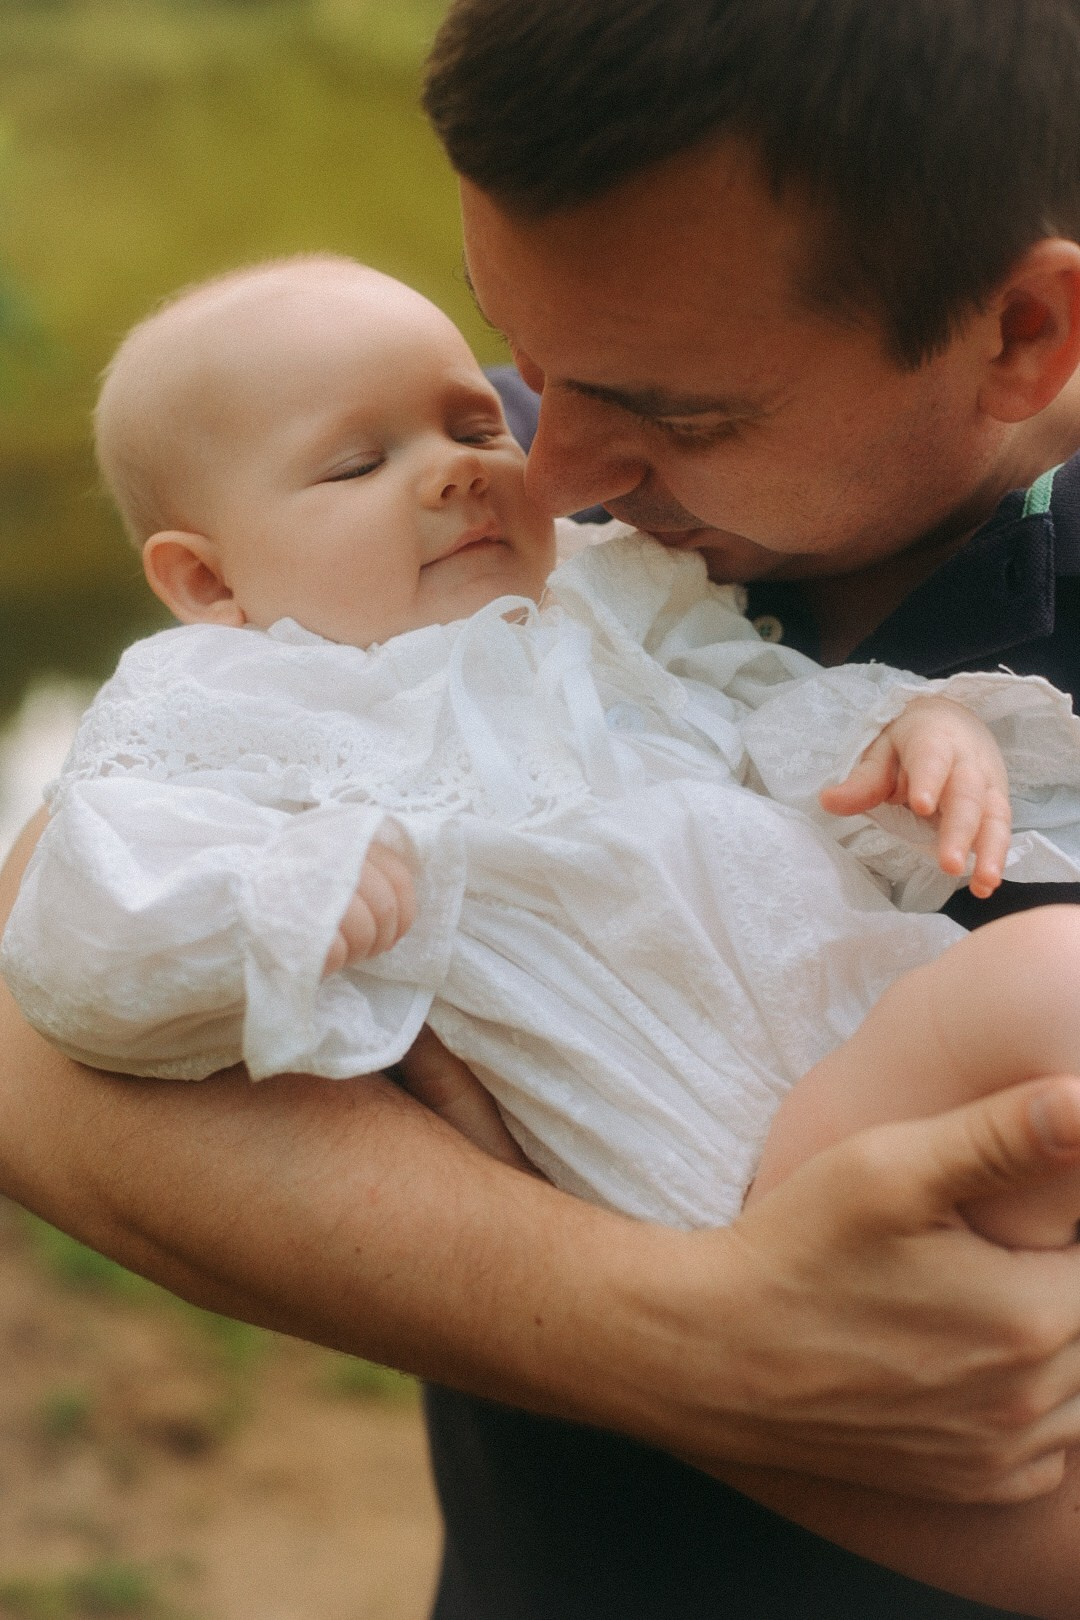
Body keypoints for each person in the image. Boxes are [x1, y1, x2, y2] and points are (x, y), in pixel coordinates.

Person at [2, 1, 1080, 1615]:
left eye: (678, 413)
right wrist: (673, 1334)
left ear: (1020, 338)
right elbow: (33, 986)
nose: (546, 467)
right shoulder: (468, 521)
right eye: (514, 351)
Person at [8, 256, 1080, 1258]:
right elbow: (77, 927)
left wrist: (895, 731)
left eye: (474, 428)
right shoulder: (226, 702)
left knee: (1046, 1009)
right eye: (357, 464)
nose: (452, 473)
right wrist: (269, 904)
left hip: (862, 1023)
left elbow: (761, 692)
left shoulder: (611, 586)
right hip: (676, 1149)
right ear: (207, 584)